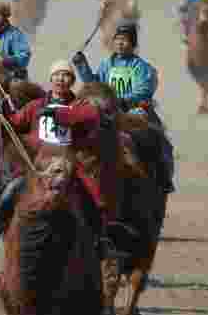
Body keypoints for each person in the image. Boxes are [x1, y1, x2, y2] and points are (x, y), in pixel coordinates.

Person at [0, 60, 115, 257]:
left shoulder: (79, 105)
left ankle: (100, 240)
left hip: (68, 162)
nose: (61, 79)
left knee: (94, 195)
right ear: (51, 79)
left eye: (66, 75)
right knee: (11, 188)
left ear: (72, 81)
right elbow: (15, 121)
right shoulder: (36, 106)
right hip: (37, 163)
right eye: (57, 75)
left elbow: (90, 115)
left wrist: (58, 113)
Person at [73, 19, 175, 193]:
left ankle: (163, 175)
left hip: (133, 110)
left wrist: (120, 99)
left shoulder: (142, 67)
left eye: (125, 40)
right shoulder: (107, 64)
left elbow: (145, 89)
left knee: (154, 136)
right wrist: (81, 65)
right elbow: (95, 84)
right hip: (109, 111)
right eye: (117, 39)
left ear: (133, 44)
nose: (120, 43)